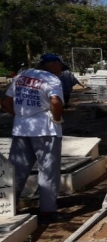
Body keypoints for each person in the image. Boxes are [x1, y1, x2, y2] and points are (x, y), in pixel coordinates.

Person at [1, 53, 67, 223]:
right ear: (52, 63)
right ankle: (47, 212)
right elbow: (55, 102)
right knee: (48, 171)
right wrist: (57, 119)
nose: (61, 70)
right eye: (60, 66)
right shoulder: (51, 79)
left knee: (17, 170)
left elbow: (5, 103)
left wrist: (20, 117)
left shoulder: (21, 76)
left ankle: (7, 207)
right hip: (46, 131)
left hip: (21, 129)